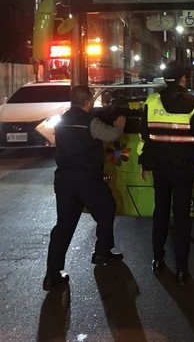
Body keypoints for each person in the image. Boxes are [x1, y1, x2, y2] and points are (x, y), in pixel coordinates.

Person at [137, 61, 194, 285]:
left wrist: (142, 161)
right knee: (182, 218)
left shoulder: (151, 103)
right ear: (182, 78)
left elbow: (144, 137)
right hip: (184, 170)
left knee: (160, 213)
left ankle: (158, 260)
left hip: (160, 169)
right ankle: (182, 269)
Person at [43, 85, 126, 291]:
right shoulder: (90, 122)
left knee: (63, 226)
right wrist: (119, 126)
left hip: (64, 180)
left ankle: (51, 274)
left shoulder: (61, 121)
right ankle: (101, 251)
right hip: (87, 179)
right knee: (107, 209)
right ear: (88, 102)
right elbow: (111, 135)